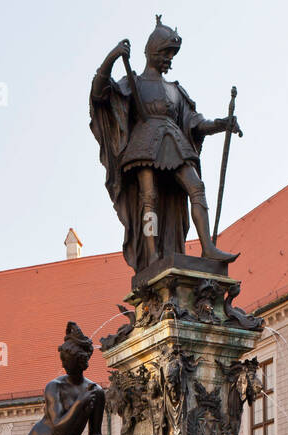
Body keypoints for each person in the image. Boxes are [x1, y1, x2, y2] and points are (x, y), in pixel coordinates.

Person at [90, 17, 242, 271]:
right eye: (166, 53)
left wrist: (222, 123)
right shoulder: (134, 82)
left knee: (196, 187)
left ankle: (208, 247)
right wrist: (113, 56)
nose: (169, 58)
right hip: (144, 145)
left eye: (172, 54)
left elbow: (195, 122)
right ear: (153, 51)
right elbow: (99, 92)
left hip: (174, 141)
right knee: (148, 198)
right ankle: (151, 256)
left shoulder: (175, 90)